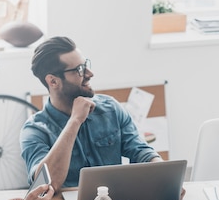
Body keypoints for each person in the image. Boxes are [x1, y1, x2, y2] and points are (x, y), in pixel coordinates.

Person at [20, 36, 162, 191]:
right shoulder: (35, 130)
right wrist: (75, 121)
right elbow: (44, 185)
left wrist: (163, 173)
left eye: (85, 65)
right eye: (79, 70)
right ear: (53, 81)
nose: (89, 73)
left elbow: (139, 150)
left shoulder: (111, 109)